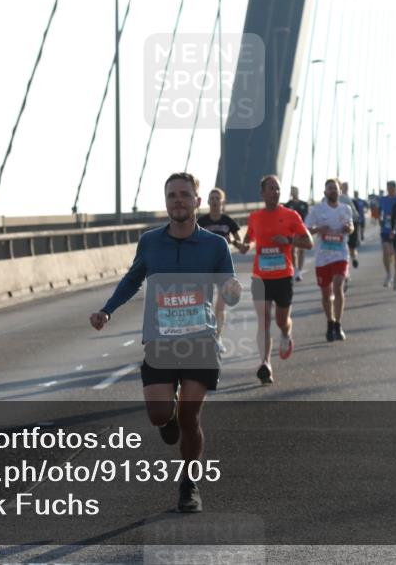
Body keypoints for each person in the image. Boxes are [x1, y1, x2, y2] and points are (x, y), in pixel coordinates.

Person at [90, 172, 242, 513]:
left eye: (185, 195)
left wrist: (233, 291)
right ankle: (168, 416)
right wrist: (107, 310)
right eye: (172, 195)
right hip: (161, 340)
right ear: (166, 201)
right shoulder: (150, 242)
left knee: (191, 418)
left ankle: (189, 484)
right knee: (160, 415)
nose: (178, 200)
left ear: (197, 202)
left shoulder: (215, 245)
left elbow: (228, 287)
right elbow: (132, 279)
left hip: (200, 340)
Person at [242, 175, 313, 384]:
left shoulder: (291, 215)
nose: (275, 192)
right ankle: (265, 363)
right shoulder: (254, 217)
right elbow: (250, 240)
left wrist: (289, 240)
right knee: (263, 320)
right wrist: (245, 245)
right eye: (271, 189)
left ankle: (286, 334)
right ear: (262, 193)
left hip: (283, 276)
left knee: (282, 321)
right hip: (260, 276)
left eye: (278, 189)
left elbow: (308, 243)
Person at [306, 178, 355, 341]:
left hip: (340, 254)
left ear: (340, 192)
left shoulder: (345, 209)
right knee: (326, 294)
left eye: (335, 188)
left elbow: (351, 227)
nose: (333, 191)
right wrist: (319, 228)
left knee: (338, 286)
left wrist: (349, 229)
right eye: (330, 188)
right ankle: (330, 322)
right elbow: (306, 229)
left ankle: (338, 324)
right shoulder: (317, 210)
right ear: (325, 192)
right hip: (323, 256)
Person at [197, 187, 245, 337]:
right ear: (208, 202)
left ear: (222, 202)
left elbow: (239, 240)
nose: (215, 201)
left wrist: (233, 242)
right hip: (205, 265)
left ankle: (217, 336)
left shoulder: (227, 221)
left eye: (218, 198)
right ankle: (207, 331)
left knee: (221, 304)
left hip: (223, 264)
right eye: (212, 198)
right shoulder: (201, 221)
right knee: (206, 302)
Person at [378, 181, 396, 289]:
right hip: (385, 230)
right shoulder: (383, 199)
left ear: (395, 188)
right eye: (388, 188)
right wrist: (380, 218)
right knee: (386, 252)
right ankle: (388, 274)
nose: (389, 190)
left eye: (391, 188)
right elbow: (380, 211)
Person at [283, 186, 310, 281]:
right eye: (292, 191)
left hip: (302, 229)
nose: (294, 193)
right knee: (293, 250)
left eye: (295, 191)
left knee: (302, 250)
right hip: (291, 230)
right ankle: (295, 269)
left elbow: (307, 217)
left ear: (298, 192)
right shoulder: (287, 205)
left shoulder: (304, 204)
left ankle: (299, 271)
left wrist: (307, 229)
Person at [339, 181, 361, 271]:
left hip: (351, 225)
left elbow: (356, 214)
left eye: (346, 186)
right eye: (343, 186)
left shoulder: (351, 200)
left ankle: (354, 258)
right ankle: (345, 269)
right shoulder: (333, 199)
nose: (345, 188)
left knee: (352, 247)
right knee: (341, 249)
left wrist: (352, 224)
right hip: (338, 228)